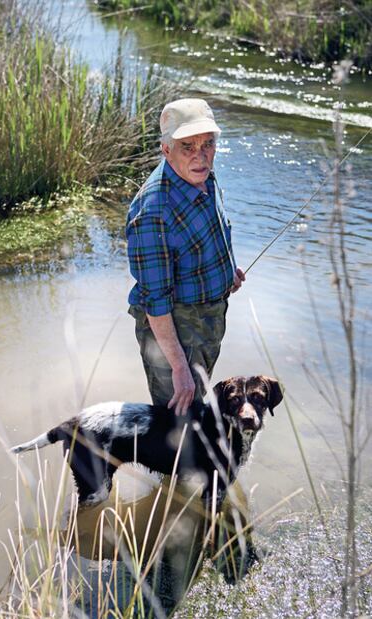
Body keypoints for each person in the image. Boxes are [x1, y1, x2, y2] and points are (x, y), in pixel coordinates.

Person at [126, 98, 245, 415]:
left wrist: (226, 270)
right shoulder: (152, 211)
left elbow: (214, 230)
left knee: (196, 408)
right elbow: (155, 299)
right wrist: (178, 367)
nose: (200, 155)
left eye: (208, 144)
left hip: (208, 319)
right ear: (166, 150)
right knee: (177, 428)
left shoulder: (204, 174)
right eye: (187, 146)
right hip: (173, 333)